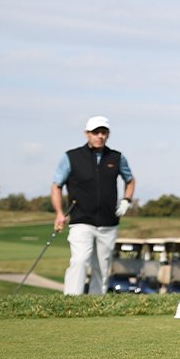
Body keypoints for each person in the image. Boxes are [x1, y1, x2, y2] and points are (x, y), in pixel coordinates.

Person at [53, 116, 135, 295]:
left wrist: (126, 200)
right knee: (80, 260)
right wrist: (59, 213)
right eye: (95, 132)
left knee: (102, 265)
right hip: (81, 219)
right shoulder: (71, 157)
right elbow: (56, 185)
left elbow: (130, 180)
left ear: (108, 135)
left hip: (108, 221)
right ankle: (72, 300)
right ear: (86, 134)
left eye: (103, 133)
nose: (100, 136)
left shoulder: (117, 157)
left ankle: (96, 302)